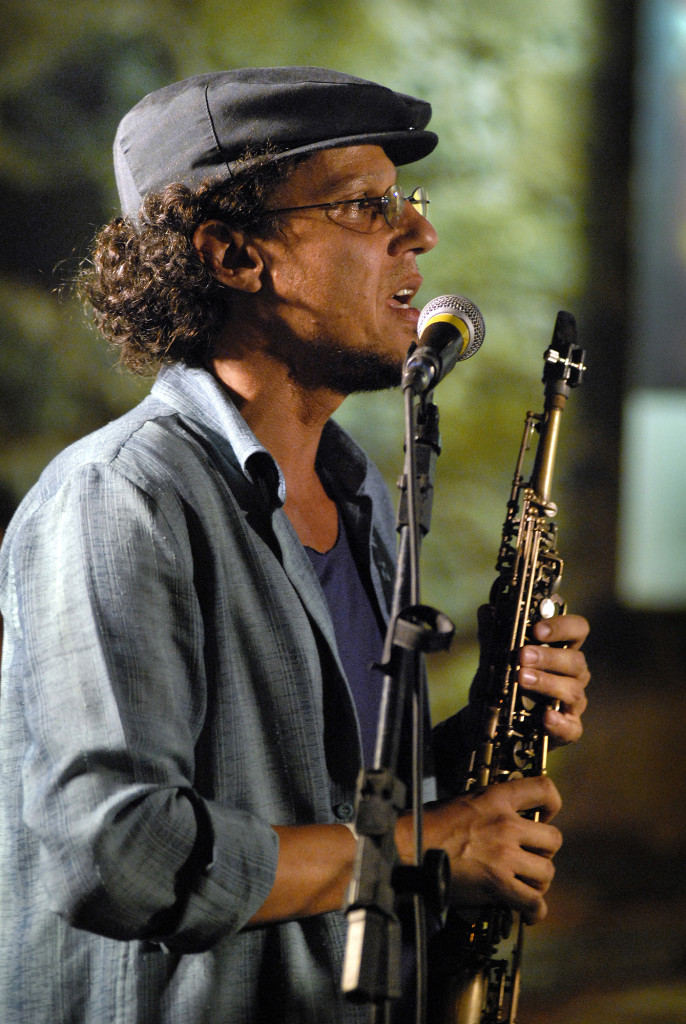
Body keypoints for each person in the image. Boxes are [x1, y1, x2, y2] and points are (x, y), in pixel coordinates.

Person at [0, 67, 590, 1024]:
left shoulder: (361, 500)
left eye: (406, 201)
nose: (420, 234)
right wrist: (430, 843)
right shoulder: (120, 499)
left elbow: (320, 805)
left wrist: (481, 741)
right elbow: (121, 853)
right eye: (364, 206)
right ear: (234, 255)